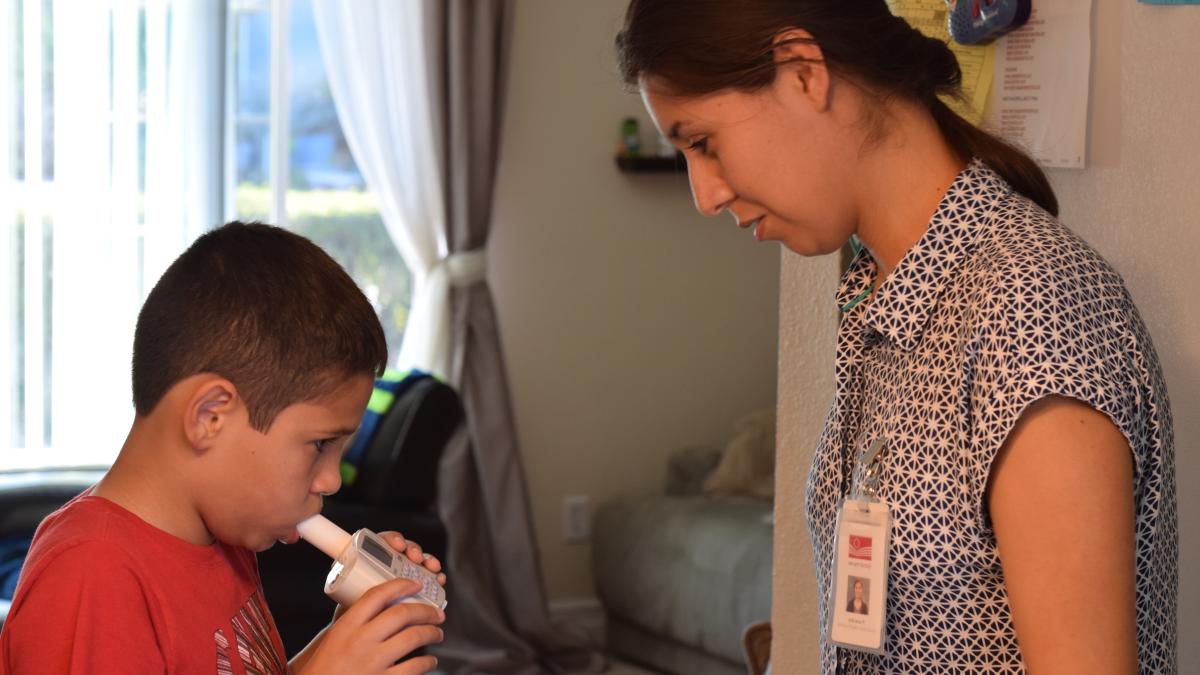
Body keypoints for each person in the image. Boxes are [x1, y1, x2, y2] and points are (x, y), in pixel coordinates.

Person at [616, 1, 1176, 673]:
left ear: (802, 71)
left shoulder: (1033, 310)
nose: (703, 195)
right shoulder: (882, 297)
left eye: (701, 142)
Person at [0, 222, 448, 674]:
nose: (330, 479)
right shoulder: (92, 576)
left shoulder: (222, 537)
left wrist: (342, 643)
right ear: (210, 417)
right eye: (320, 445)